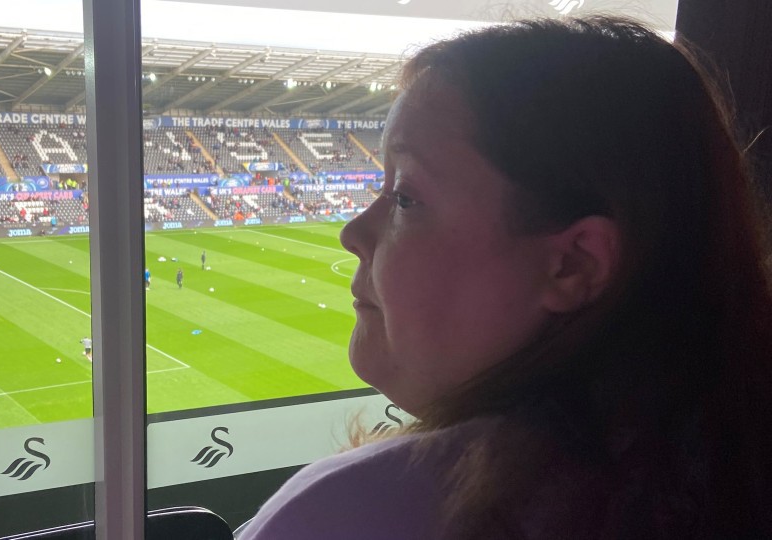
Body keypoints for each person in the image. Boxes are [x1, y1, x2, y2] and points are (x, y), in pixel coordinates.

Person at [237, 18, 772, 539]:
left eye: (405, 197)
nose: (352, 233)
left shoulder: (350, 512)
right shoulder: (724, 472)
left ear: (573, 264)